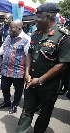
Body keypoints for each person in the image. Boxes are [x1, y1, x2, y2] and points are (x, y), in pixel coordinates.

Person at [16, 3, 70, 133]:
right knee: (27, 110)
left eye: (38, 17)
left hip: (49, 85)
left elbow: (63, 64)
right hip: (31, 80)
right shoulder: (35, 34)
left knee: (45, 113)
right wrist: (27, 73)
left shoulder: (63, 36)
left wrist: (40, 80)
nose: (35, 20)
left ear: (49, 16)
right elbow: (29, 54)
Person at [0, 19, 31, 114]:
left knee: (18, 90)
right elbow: (2, 49)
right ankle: (7, 102)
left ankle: (15, 105)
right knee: (4, 87)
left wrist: (27, 73)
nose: (10, 31)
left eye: (12, 29)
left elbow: (28, 56)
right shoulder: (8, 37)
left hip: (18, 70)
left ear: (19, 28)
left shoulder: (26, 39)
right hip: (6, 69)